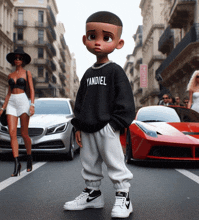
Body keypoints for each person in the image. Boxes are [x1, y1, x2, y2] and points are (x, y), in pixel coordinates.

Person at [63, 11, 135, 218]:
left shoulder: (116, 71)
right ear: (85, 39)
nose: (98, 42)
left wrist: (114, 124)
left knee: (115, 162)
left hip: (107, 127)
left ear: (118, 43)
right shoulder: (88, 73)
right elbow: (81, 101)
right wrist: (78, 125)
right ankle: (93, 195)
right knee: (89, 162)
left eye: (107, 37)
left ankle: (124, 196)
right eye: (92, 36)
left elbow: (126, 101)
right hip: (87, 127)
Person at [0, 48, 35, 177]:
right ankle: (17, 163)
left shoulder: (27, 73)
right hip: (12, 103)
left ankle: (29, 157)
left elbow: (31, 90)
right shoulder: (10, 76)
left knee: (24, 134)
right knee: (12, 134)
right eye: (16, 58)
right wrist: (2, 109)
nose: (17, 60)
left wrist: (32, 105)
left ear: (23, 60)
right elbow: (8, 93)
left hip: (23, 101)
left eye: (20, 58)